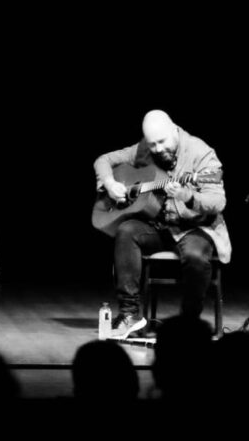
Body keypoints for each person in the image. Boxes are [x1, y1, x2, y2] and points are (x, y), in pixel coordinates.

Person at [94, 110, 230, 339]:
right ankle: (129, 316)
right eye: (152, 144)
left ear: (174, 130)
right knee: (127, 231)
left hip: (195, 228)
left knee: (196, 257)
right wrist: (109, 183)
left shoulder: (202, 153)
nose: (156, 149)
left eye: (161, 142)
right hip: (160, 226)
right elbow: (103, 160)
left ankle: (188, 325)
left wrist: (189, 197)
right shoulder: (144, 148)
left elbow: (218, 201)